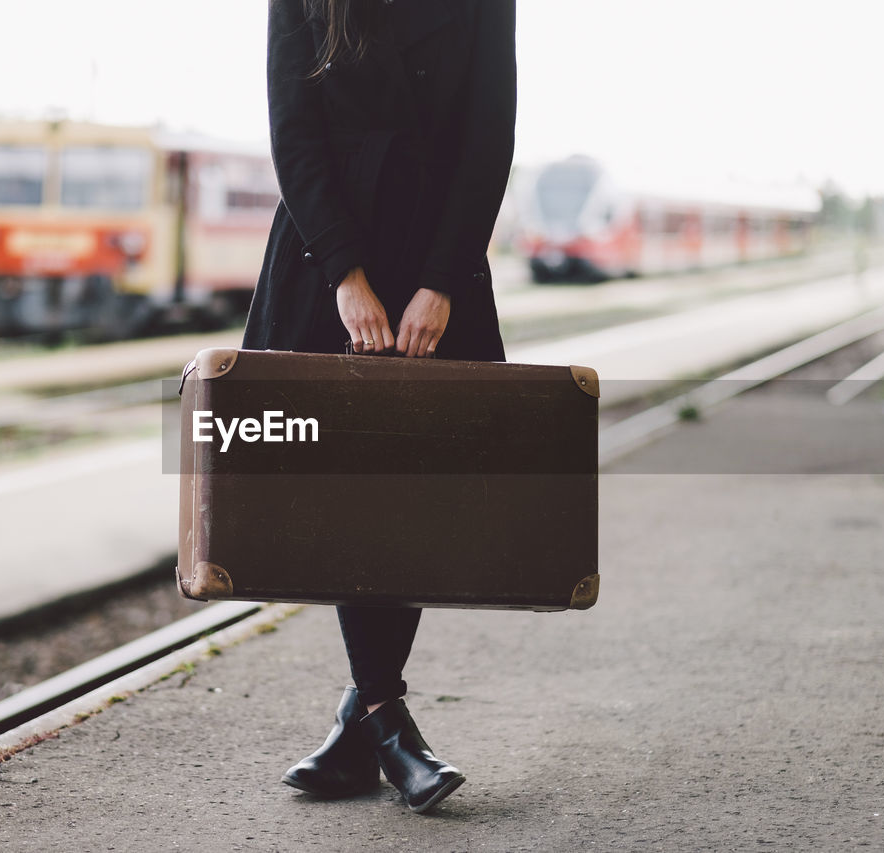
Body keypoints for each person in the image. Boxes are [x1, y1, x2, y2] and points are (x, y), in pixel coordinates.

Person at [243, 0, 516, 814]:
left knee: (415, 493)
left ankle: (367, 725)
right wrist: (345, 276)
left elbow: (488, 135)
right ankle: (386, 725)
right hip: (325, 258)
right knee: (345, 490)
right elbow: (294, 131)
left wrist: (443, 281)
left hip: (438, 256)